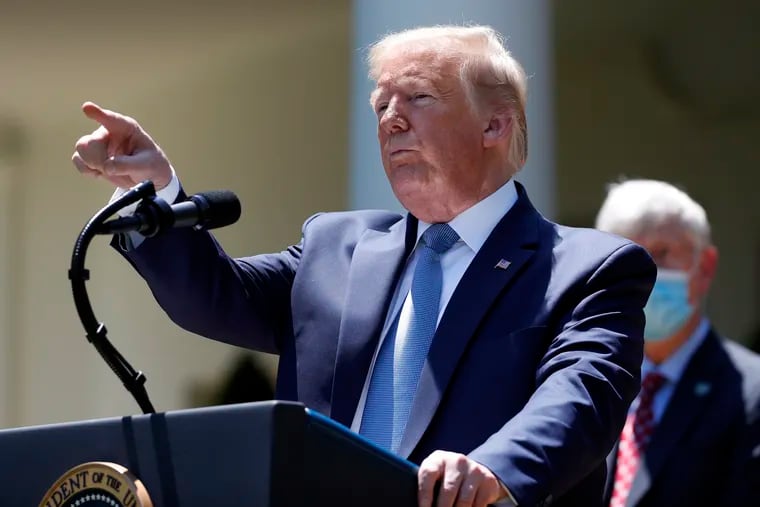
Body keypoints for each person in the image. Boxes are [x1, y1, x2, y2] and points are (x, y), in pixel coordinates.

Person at [72, 25, 656, 507]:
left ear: (494, 125)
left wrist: (490, 470)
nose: (390, 119)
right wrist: (153, 192)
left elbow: (581, 397)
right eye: (381, 104)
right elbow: (214, 297)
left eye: (419, 98)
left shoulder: (587, 268)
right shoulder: (337, 245)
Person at [595, 179, 760, 506]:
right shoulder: (588, 383)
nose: (643, 273)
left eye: (660, 254)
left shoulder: (752, 393)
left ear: (705, 267)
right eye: (625, 255)